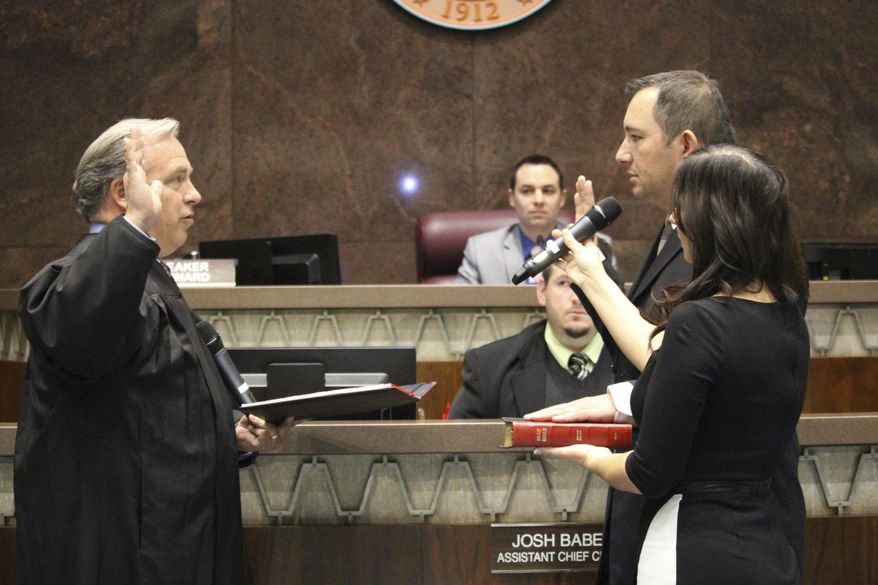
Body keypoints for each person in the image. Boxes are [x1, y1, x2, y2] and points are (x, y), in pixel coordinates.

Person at [527, 71, 804, 585]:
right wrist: (621, 400)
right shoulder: (772, 292)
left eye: (635, 137)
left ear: (686, 144)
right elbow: (691, 365)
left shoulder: (710, 262)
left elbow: (679, 353)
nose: (620, 154)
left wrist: (588, 451)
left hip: (701, 524)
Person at [14, 118, 293, 585]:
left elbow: (153, 415)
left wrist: (231, 435)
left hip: (176, 547)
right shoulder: (78, 280)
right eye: (177, 179)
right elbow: (81, 345)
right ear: (124, 193)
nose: (196, 194)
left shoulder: (146, 279)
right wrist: (136, 226)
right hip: (120, 557)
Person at [449, 263, 617, 418]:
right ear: (542, 291)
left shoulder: (637, 365)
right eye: (564, 283)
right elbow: (457, 445)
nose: (577, 298)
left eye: (588, 283)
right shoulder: (489, 367)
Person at [456, 154, 614, 284]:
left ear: (562, 198)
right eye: (527, 191)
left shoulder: (595, 246)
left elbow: (614, 304)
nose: (538, 200)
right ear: (512, 197)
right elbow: (458, 311)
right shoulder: (480, 250)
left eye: (548, 191)